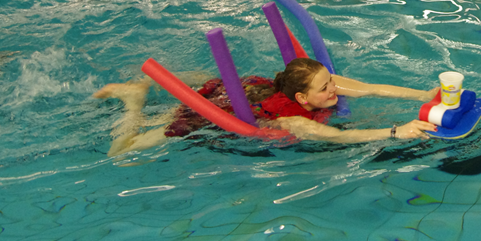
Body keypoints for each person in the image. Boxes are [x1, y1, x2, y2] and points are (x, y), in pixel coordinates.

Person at [94, 57, 438, 157]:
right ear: (302, 98)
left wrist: (423, 95)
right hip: (215, 118)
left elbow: (373, 89)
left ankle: (147, 88)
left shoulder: (310, 84)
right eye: (325, 88)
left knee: (210, 83)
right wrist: (397, 131)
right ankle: (133, 102)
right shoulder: (294, 121)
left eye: (331, 82)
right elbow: (338, 137)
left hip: (246, 92)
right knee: (120, 152)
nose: (335, 89)